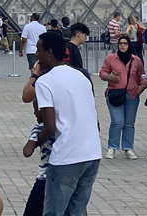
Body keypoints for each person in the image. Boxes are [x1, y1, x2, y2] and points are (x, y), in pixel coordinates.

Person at [32, 31, 101, 216]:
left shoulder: (44, 81)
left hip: (67, 157)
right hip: (92, 153)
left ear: (49, 52)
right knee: (76, 211)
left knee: (53, 212)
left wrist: (34, 142)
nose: (36, 54)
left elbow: (49, 126)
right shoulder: (81, 76)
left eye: (39, 49)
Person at [98, 35, 143, 160]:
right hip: (115, 93)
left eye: (125, 43)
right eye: (120, 43)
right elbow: (102, 72)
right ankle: (112, 147)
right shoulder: (111, 58)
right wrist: (108, 77)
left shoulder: (136, 60)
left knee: (129, 123)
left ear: (129, 45)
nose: (122, 45)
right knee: (117, 121)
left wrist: (141, 88)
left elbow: (141, 76)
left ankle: (128, 148)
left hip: (132, 94)